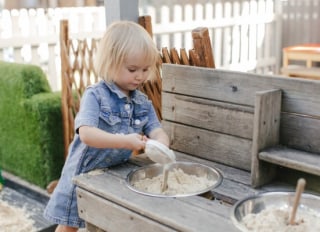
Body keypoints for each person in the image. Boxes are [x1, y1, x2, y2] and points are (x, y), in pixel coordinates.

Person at [43, 20, 169, 232]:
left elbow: (156, 130)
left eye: (145, 69)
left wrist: (161, 145)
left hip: (112, 176)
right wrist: (125, 141)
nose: (140, 76)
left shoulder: (142, 102)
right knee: (69, 226)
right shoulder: (96, 96)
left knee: (102, 223)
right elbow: (87, 134)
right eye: (132, 69)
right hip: (82, 176)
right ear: (110, 63)